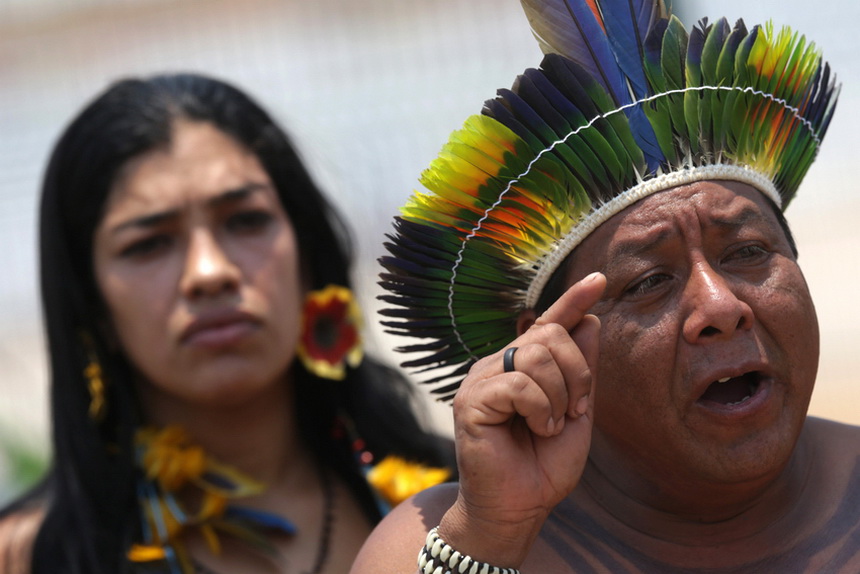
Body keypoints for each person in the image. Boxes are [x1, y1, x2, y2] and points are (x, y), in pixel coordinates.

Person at [352, 0, 860, 572]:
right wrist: (492, 537)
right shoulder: (439, 544)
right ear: (552, 347)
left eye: (748, 252)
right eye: (649, 281)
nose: (720, 306)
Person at [0, 73, 454, 574]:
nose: (209, 272)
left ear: (307, 257)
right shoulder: (25, 558)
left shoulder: (462, 504)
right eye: (148, 244)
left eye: (246, 220)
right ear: (92, 304)